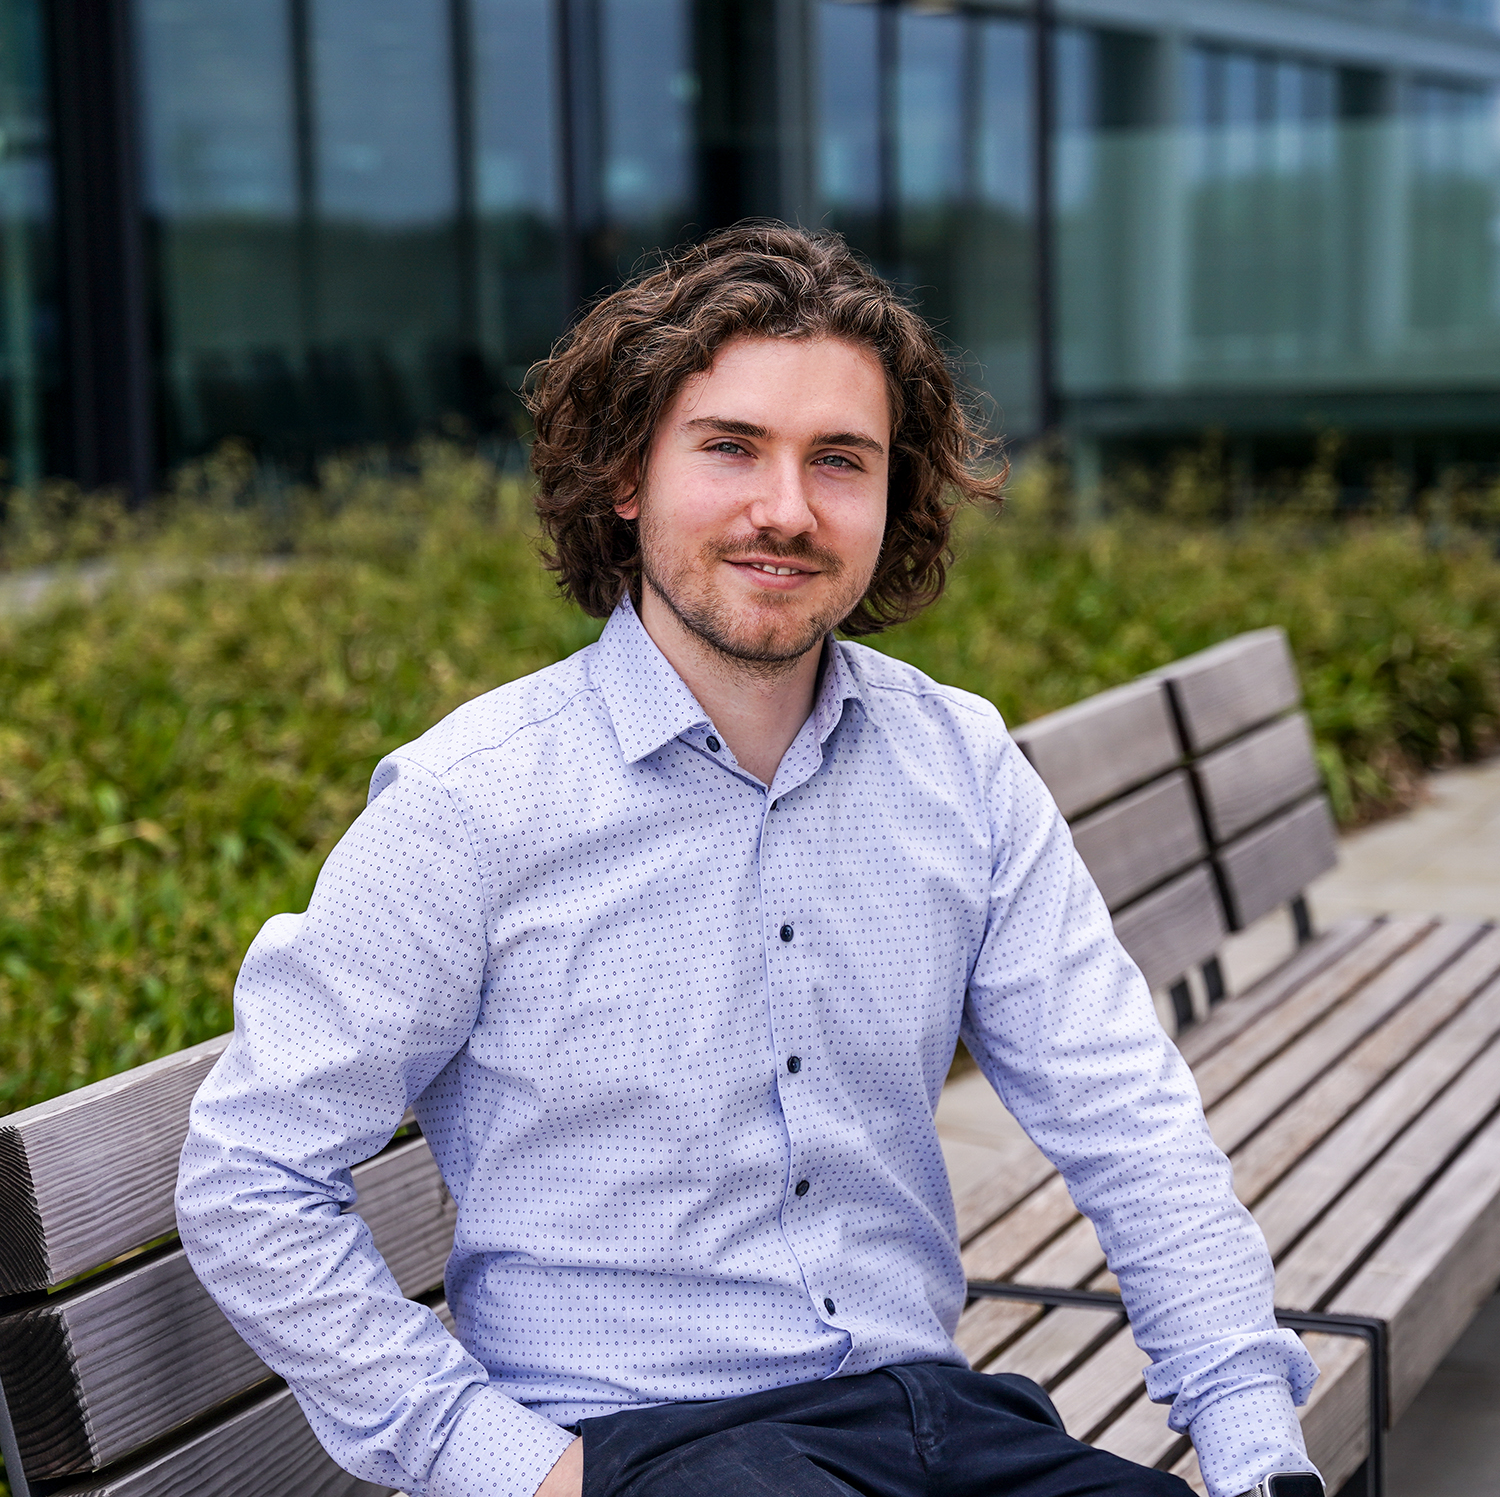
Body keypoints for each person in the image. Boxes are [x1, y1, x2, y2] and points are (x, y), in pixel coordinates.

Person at [176, 224, 1323, 1497]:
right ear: (626, 477)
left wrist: (1254, 1445)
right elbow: (253, 1175)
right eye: (730, 448)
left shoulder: (960, 764)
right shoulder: (474, 805)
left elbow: (1126, 1120)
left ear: (896, 498)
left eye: (841, 460)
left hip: (938, 1419)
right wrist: (509, 1467)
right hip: (643, 1448)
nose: (787, 509)